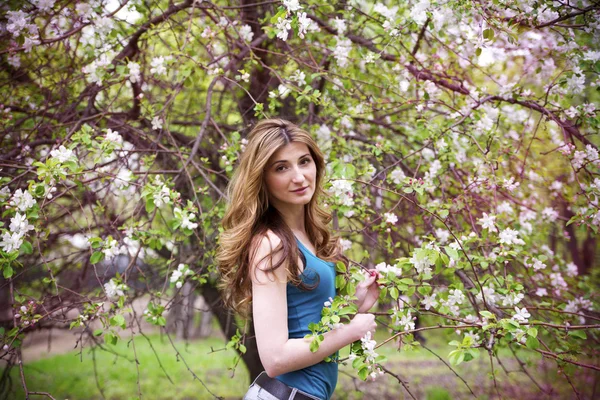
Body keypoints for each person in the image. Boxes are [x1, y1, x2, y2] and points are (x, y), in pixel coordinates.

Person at [216, 119, 381, 400]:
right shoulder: (271, 245)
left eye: (304, 162)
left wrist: (354, 305)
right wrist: (351, 331)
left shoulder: (308, 236)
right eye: (281, 168)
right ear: (262, 178)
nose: (300, 177)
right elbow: (275, 358)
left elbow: (306, 327)